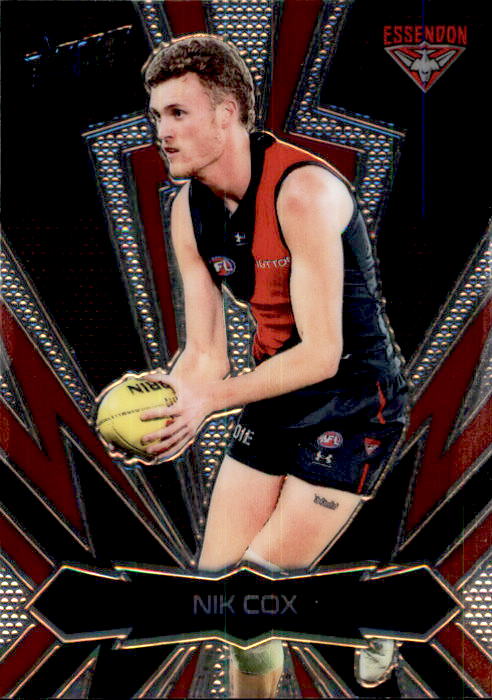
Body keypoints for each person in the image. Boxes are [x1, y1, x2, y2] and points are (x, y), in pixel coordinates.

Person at [140, 34, 408, 698]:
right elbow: (205, 353)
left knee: (252, 595)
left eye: (178, 113)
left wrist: (210, 401)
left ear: (226, 114)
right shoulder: (188, 210)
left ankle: (370, 611)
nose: (162, 132)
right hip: (274, 395)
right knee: (221, 598)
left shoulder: (303, 191)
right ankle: (353, 607)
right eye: (156, 115)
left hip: (354, 399)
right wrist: (167, 405)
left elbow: (320, 353)